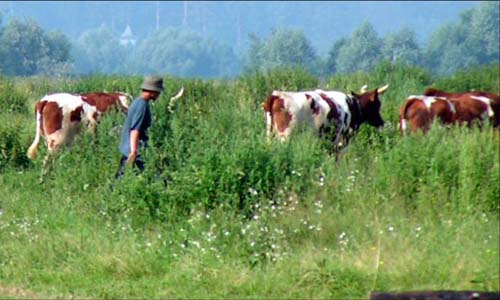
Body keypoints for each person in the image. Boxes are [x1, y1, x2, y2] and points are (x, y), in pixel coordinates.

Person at [115, 75, 163, 180]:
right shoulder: (142, 105)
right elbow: (135, 130)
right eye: (158, 91)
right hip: (137, 149)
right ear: (152, 91)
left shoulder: (137, 102)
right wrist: (134, 151)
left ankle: (111, 194)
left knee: (121, 177)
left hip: (131, 148)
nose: (159, 94)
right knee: (155, 177)